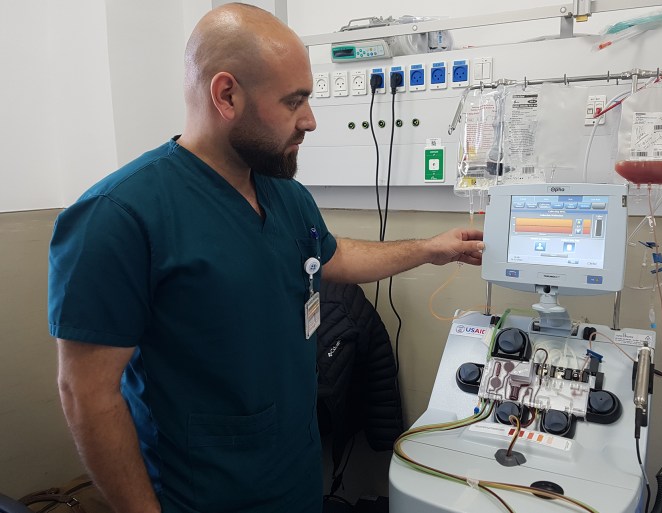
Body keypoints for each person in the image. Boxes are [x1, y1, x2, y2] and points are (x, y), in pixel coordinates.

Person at [48, 4, 483, 513]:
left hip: (294, 479)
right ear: (226, 94)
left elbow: (334, 257)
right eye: (294, 101)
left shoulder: (285, 195)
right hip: (199, 492)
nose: (311, 120)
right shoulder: (118, 216)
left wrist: (431, 249)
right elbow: (87, 395)